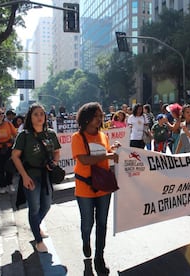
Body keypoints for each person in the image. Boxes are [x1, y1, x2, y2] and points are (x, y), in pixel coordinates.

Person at [71, 102, 119, 274]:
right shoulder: (78, 137)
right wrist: (109, 154)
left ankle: (99, 257)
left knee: (102, 223)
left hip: (103, 187)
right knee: (87, 223)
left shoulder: (103, 136)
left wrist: (112, 150)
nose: (100, 118)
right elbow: (84, 159)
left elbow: (104, 154)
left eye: (101, 115)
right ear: (87, 117)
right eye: (97, 115)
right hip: (85, 188)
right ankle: (86, 242)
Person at [11, 103, 61, 252]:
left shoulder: (50, 133)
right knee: (34, 208)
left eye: (42, 114)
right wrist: (24, 177)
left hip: (46, 176)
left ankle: (35, 226)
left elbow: (57, 151)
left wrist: (54, 163)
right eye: (36, 114)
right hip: (31, 176)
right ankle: (38, 241)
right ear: (30, 117)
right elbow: (15, 156)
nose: (39, 117)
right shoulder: (24, 135)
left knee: (46, 205)